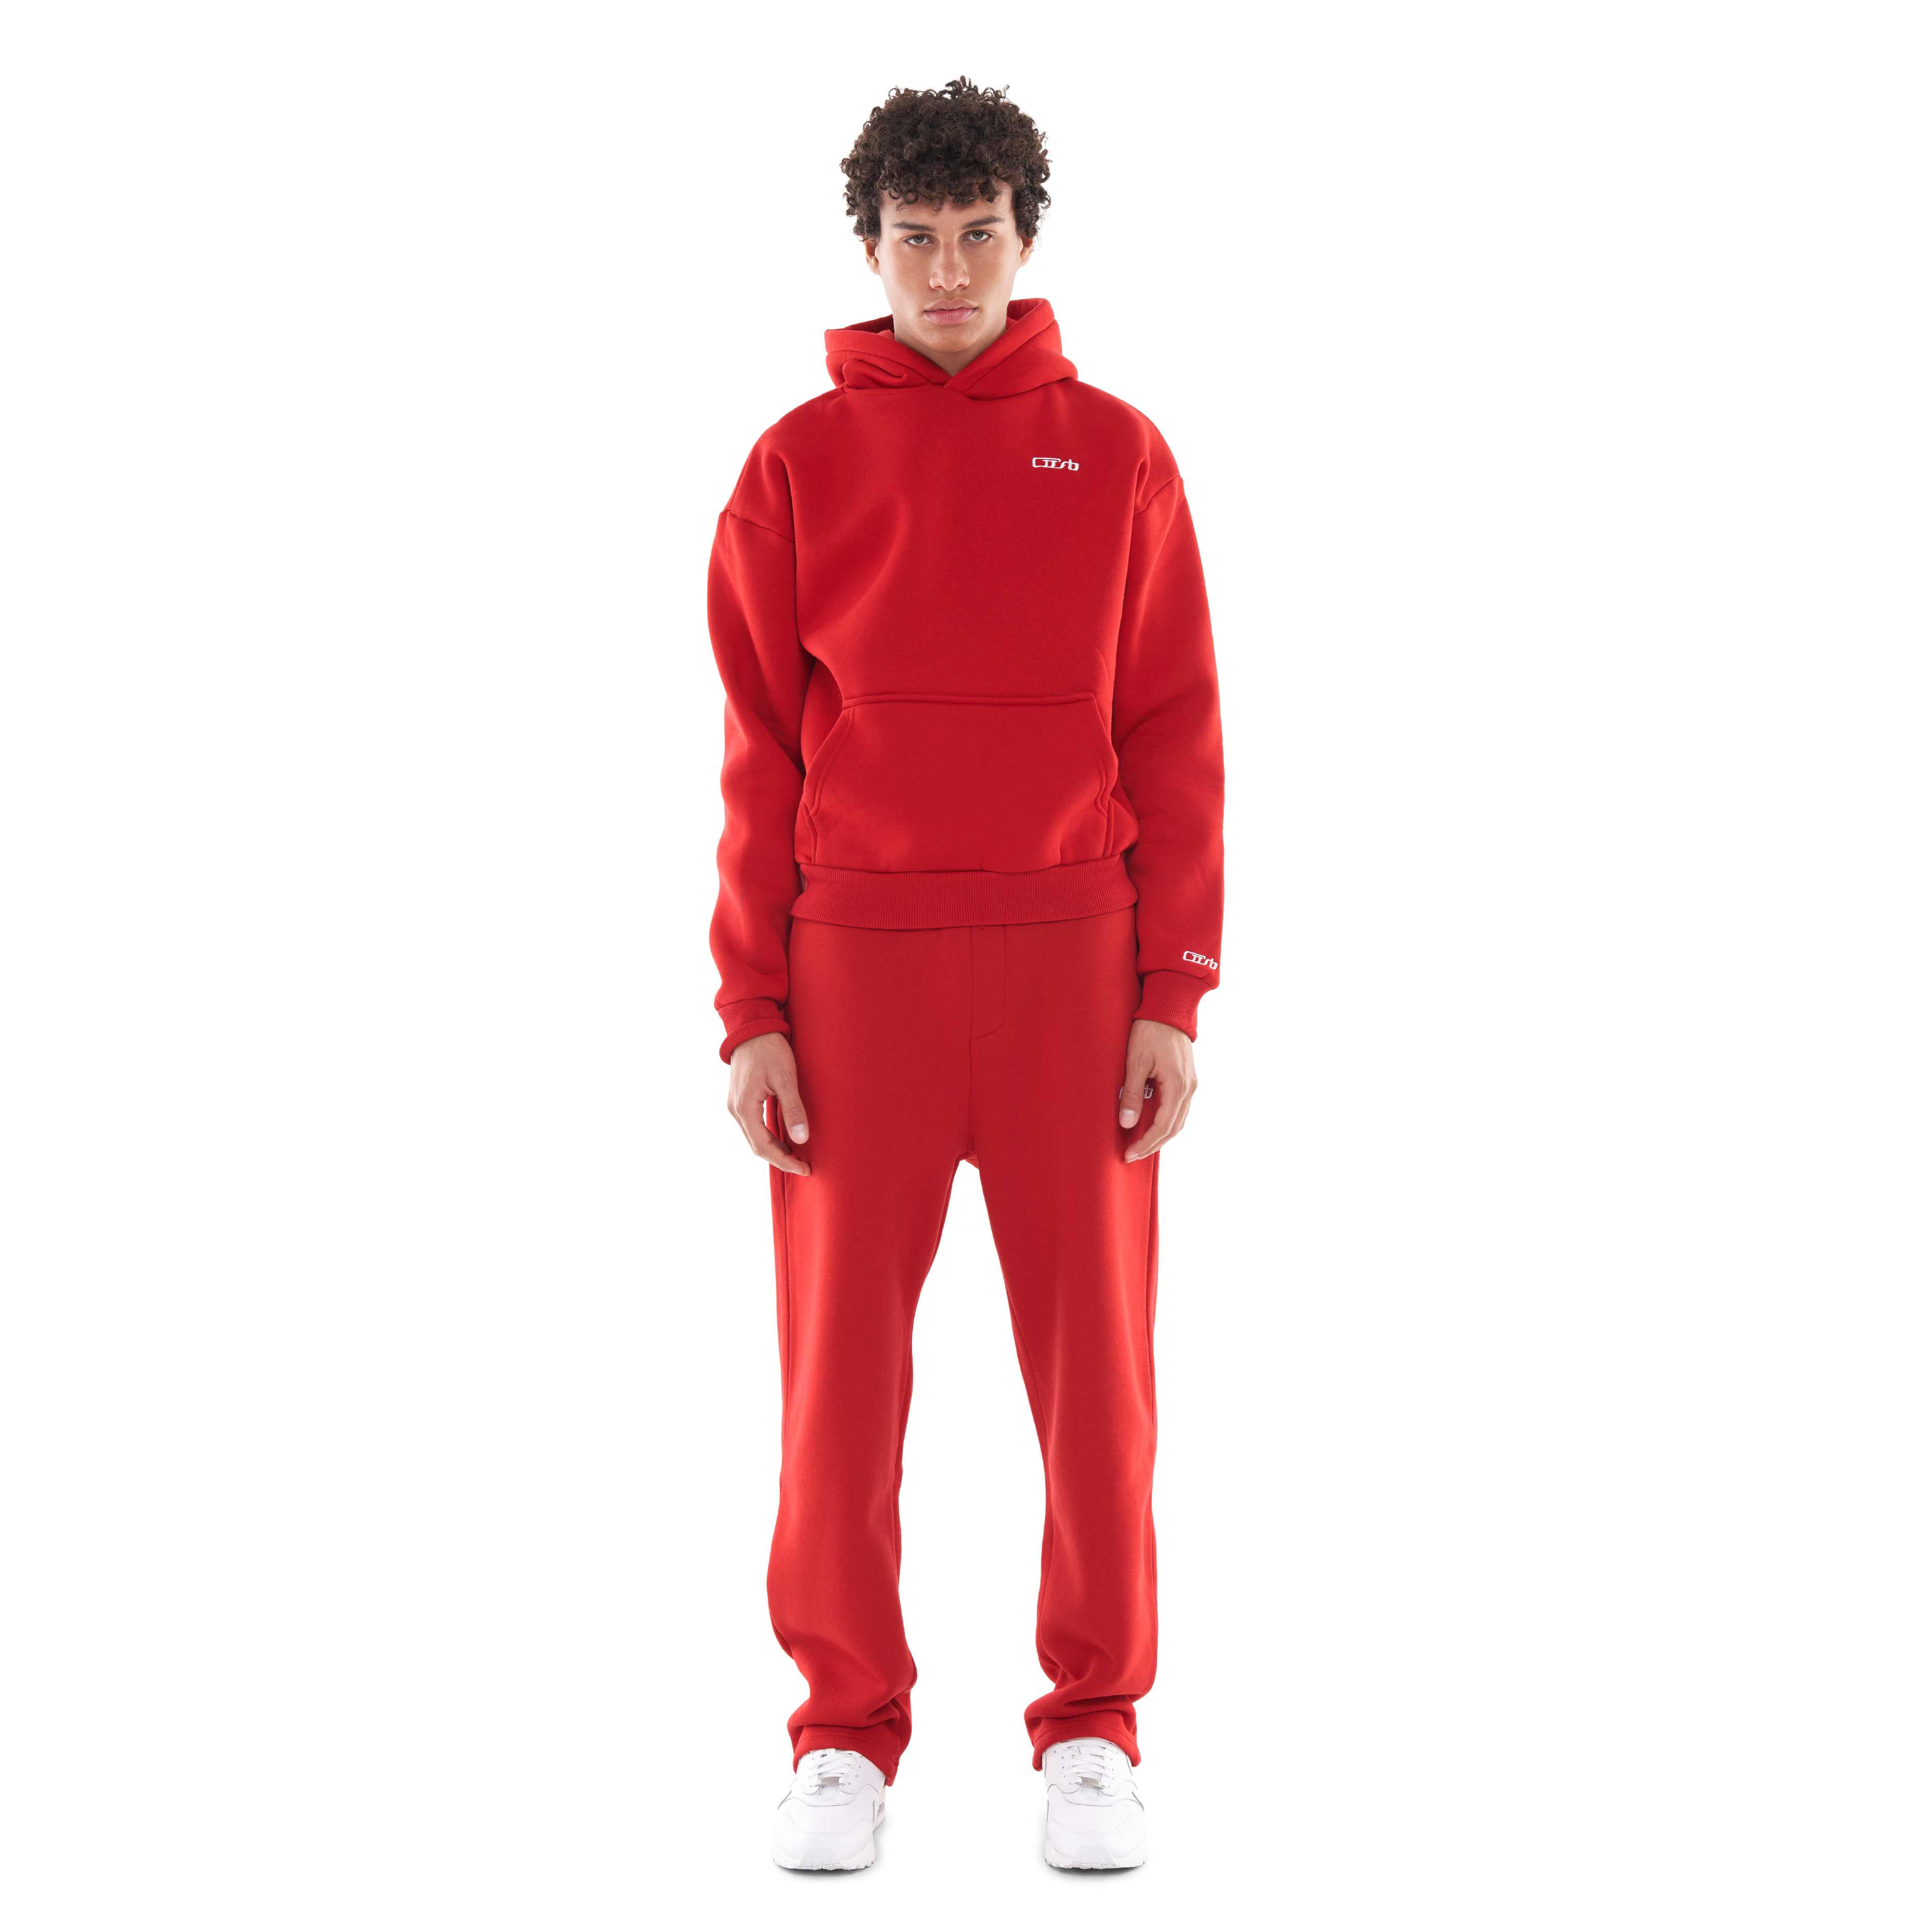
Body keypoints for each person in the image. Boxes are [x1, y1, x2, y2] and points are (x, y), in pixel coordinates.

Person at [706, 76, 1224, 1872]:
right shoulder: (794, 465)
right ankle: (841, 1735)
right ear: (869, 247)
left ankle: (1092, 1727)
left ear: (1023, 237)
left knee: (1098, 1374)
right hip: (857, 965)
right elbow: (758, 753)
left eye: (976, 234)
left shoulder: (1119, 451)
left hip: (1075, 956)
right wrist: (751, 1009)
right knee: (839, 1374)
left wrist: (1172, 986)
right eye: (914, 238)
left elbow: (1172, 726)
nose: (946, 271)